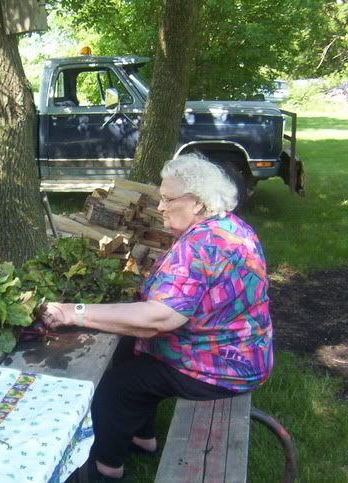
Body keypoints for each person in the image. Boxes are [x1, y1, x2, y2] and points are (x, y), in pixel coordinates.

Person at [41, 153, 273, 481]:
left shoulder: (201, 244)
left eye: (167, 199)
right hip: (239, 349)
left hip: (222, 367)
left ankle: (106, 467)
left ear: (196, 202)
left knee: (114, 389)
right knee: (128, 351)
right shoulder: (227, 228)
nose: (160, 207)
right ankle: (142, 437)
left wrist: (73, 311)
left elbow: (160, 319)